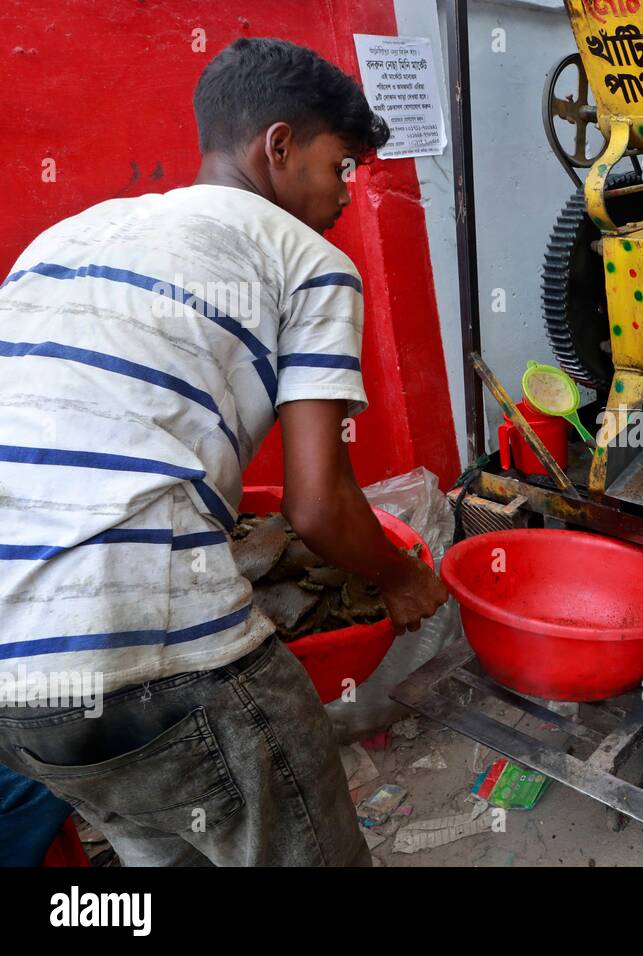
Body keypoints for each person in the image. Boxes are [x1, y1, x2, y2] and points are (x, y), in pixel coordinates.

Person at [0, 37, 447, 866]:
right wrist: (405, 578)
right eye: (340, 165)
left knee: (156, 848)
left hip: (15, 688)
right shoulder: (305, 259)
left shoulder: (64, 237)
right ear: (278, 146)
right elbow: (318, 507)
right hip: (152, 649)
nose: (347, 193)